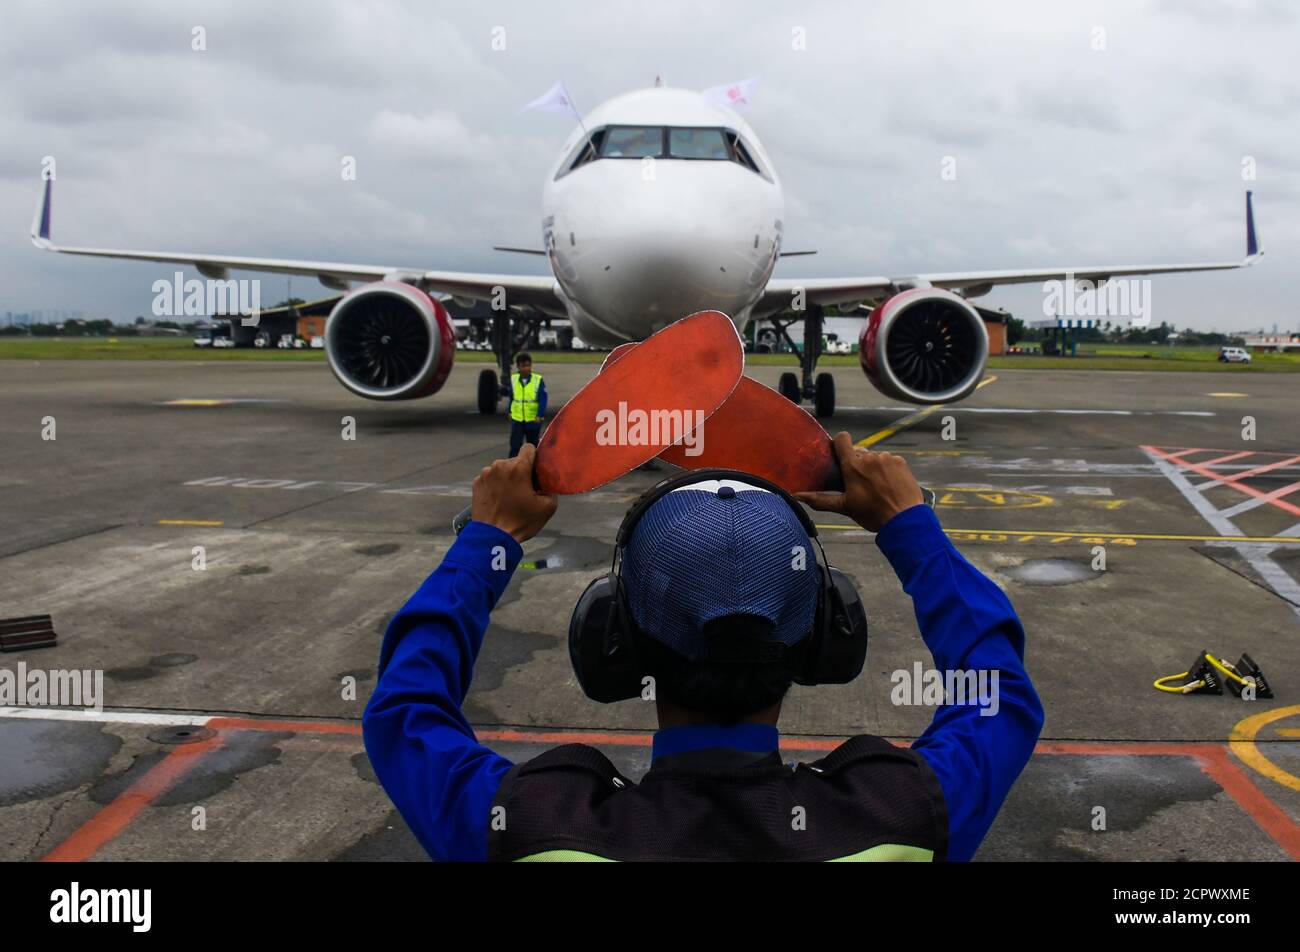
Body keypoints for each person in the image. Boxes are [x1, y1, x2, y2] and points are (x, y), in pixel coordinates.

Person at [363, 435, 1044, 861]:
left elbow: (404, 712)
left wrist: (489, 540)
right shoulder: (903, 816)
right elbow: (999, 693)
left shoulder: (530, 826)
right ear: (824, 638)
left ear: (615, 642)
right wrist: (908, 525)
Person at [506, 352, 546, 458]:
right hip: (518, 420)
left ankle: (534, 472)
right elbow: (512, 398)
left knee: (533, 448)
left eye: (528, 366)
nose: (526, 369)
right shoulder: (514, 380)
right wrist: (509, 411)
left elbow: (543, 399)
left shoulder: (537, 380)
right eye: (523, 366)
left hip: (532, 420)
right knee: (515, 446)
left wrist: (539, 414)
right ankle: (513, 469)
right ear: (518, 367)